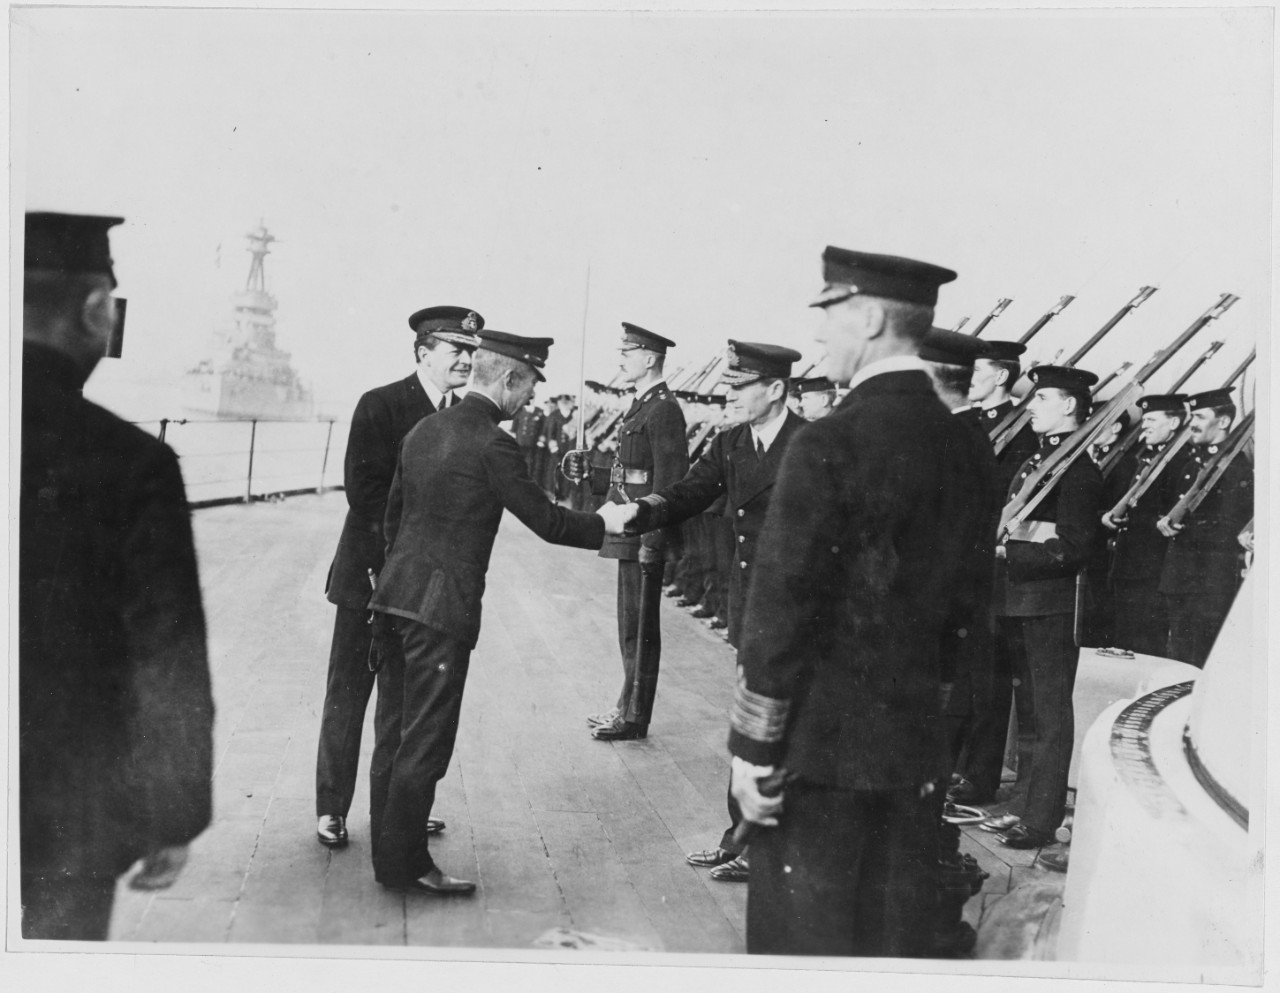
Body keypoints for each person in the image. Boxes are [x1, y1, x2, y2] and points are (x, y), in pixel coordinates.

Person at [728, 246, 988, 957]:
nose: (819, 336)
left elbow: (779, 611)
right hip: (911, 752)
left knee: (801, 946)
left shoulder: (827, 442)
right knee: (884, 946)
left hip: (816, 757)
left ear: (870, 318)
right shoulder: (964, 446)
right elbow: (966, 610)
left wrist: (751, 752)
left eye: (830, 315)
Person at [366, 331, 631, 893]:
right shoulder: (493, 443)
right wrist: (605, 523)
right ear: (509, 379)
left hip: (392, 599)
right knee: (426, 741)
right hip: (441, 612)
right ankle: (406, 865)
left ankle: (388, 855)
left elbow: (393, 519)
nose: (533, 397)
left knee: (393, 731)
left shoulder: (423, 429)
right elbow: (548, 522)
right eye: (531, 382)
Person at [20, 211, 215, 939]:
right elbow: (164, 651)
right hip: (65, 801)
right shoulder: (134, 464)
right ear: (97, 310)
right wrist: (173, 809)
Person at [623, 341, 805, 883]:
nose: (731, 395)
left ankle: (773, 847)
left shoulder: (811, 445)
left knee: (789, 728)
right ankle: (745, 841)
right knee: (753, 726)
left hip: (801, 610)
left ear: (774, 390)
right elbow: (691, 491)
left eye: (741, 386)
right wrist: (642, 509)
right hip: (753, 603)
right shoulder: (731, 443)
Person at [315, 305, 483, 849]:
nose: (466, 359)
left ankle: (394, 806)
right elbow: (363, 496)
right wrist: (396, 561)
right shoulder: (382, 404)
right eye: (455, 349)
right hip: (370, 573)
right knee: (349, 691)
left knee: (405, 700)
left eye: (471, 351)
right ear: (422, 353)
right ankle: (331, 808)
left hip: (420, 587)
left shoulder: (463, 417)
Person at [986, 365, 1103, 850]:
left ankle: (1041, 818)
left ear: (1070, 406)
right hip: (1018, 600)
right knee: (1029, 713)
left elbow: (1074, 546)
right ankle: (1023, 805)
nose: (1031, 405)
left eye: (1043, 398)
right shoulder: (1039, 461)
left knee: (1050, 713)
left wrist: (1007, 552)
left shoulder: (1078, 471)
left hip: (1050, 606)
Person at [584, 324, 689, 741]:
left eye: (628, 353)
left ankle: (633, 716)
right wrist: (590, 476)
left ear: (649, 359)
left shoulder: (663, 408)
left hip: (643, 533)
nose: (621, 359)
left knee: (640, 629)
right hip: (630, 527)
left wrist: (654, 540)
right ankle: (626, 703)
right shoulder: (642, 405)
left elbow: (670, 482)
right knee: (629, 626)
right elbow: (629, 473)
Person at [1156, 388, 1253, 667]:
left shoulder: (1235, 468)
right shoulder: (1190, 463)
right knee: (1176, 659)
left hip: (1207, 582)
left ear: (1223, 422)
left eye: (1199, 416)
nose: (1192, 423)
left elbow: (1231, 528)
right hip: (1178, 577)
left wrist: (1183, 529)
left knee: (1198, 660)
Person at [1101, 395, 1187, 656]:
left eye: (1151, 419)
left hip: (1153, 565)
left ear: (1173, 422)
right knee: (1125, 642)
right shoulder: (1149, 456)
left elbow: (1174, 515)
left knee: (1146, 645)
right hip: (1130, 562)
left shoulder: (1181, 461)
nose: (1145, 425)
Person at [970, 340, 1037, 497]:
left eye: (976, 370)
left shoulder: (1022, 436)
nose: (968, 377)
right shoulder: (965, 420)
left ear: (1000, 377)